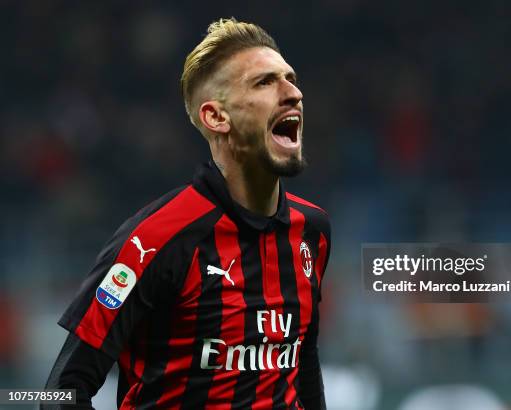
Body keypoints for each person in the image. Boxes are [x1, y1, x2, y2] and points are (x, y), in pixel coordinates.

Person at [44, 18, 331, 410]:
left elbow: (302, 367)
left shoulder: (312, 232)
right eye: (265, 82)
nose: (293, 93)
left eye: (290, 78)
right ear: (216, 117)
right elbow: (62, 390)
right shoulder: (153, 240)